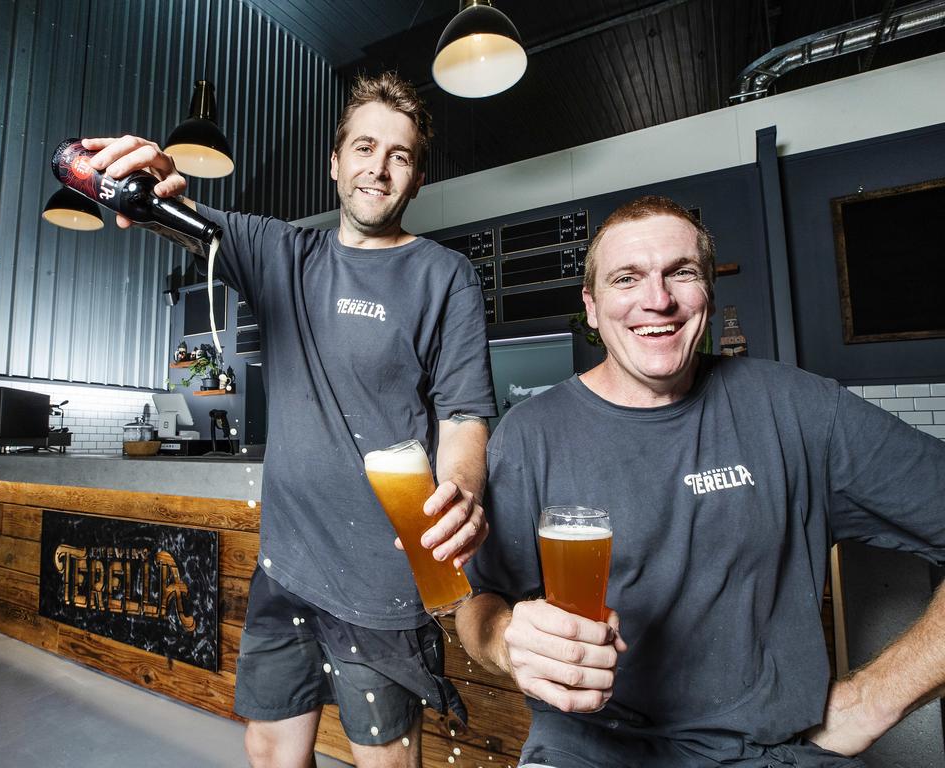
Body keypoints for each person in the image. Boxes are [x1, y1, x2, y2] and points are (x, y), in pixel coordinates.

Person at [84, 72, 497, 768]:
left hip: (384, 582)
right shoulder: (281, 254)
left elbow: (463, 415)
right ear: (334, 163)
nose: (379, 166)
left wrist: (462, 487)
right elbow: (168, 211)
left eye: (399, 155)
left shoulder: (444, 276)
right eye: (364, 147)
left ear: (417, 178)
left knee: (385, 762)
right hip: (287, 567)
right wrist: (144, 176)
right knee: (271, 749)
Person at [455, 195, 945, 767]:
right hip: (587, 752)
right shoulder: (529, 434)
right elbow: (477, 601)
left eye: (680, 273)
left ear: (708, 293)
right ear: (591, 307)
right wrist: (505, 642)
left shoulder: (799, 409)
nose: (656, 300)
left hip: (772, 755)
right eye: (626, 278)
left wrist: (870, 701)